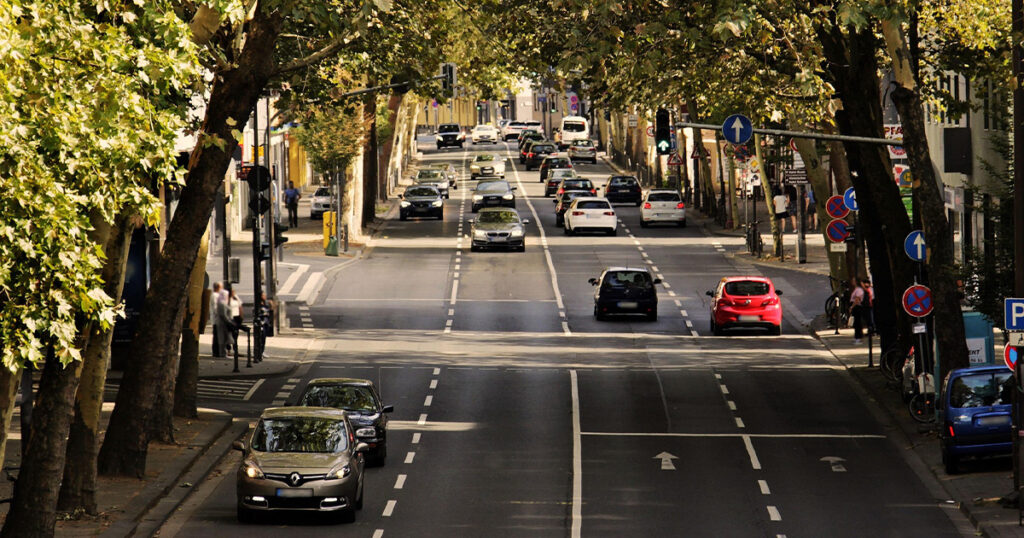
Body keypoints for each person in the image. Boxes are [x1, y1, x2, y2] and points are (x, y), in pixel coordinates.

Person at [849, 277, 866, 344]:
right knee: (856, 323)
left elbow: (857, 299)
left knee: (857, 323)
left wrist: (852, 307)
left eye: (853, 280)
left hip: (857, 307)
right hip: (856, 307)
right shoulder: (856, 289)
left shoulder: (859, 290)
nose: (852, 281)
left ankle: (858, 338)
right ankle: (857, 337)